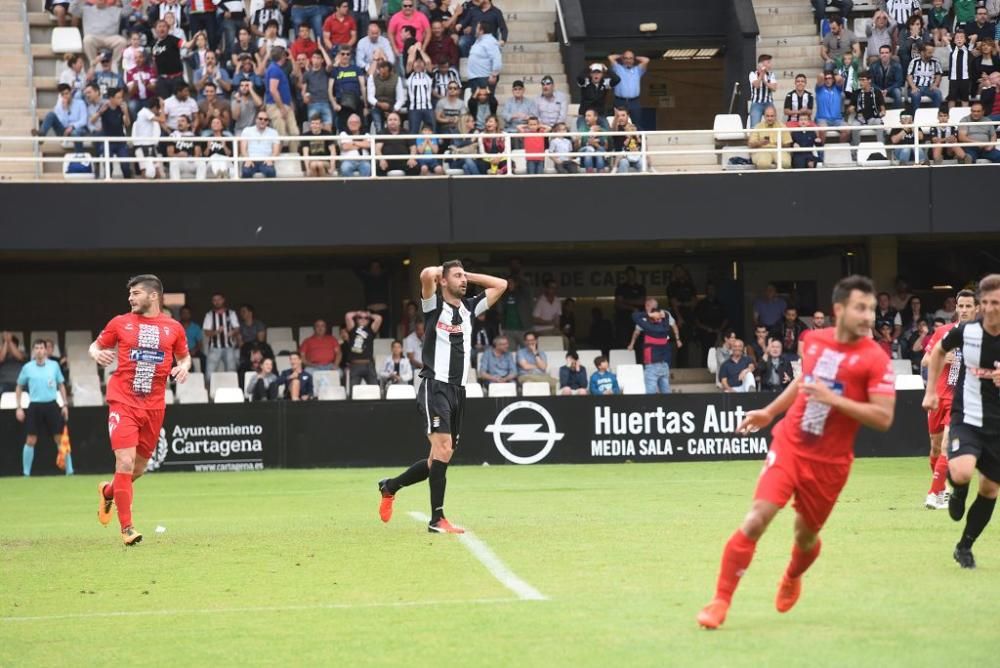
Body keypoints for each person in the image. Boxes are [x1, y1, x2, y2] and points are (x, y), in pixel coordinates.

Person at [697, 275, 896, 629]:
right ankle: (719, 601)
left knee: (805, 537)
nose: (868, 316)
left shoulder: (875, 359)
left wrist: (835, 399)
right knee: (757, 517)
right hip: (791, 443)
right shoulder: (814, 341)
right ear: (839, 310)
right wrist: (770, 412)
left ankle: (792, 575)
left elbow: (883, 417)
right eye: (860, 308)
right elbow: (804, 383)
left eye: (871, 308)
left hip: (831, 463)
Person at [377, 261, 507, 534]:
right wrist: (442, 273)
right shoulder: (433, 305)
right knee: (444, 449)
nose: (464, 281)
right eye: (457, 276)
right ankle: (437, 519)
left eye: (464, 276)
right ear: (444, 281)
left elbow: (501, 285)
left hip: (459, 390)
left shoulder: (470, 308)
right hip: (435, 385)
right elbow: (425, 275)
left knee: (436, 458)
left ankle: (390, 486)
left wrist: (466, 274)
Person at [89, 275, 192, 546]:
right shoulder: (119, 322)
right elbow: (96, 345)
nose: (130, 298)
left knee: (138, 469)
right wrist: (96, 354)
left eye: (136, 293)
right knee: (123, 463)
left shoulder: (173, 328)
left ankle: (109, 491)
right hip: (123, 401)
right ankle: (127, 529)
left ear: (153, 296)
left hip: (154, 406)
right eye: (130, 294)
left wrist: (184, 367)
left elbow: (184, 356)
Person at [923, 275, 1000, 569]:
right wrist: (930, 391)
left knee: (990, 489)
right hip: (967, 416)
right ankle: (957, 489)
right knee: (962, 470)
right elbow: (938, 351)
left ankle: (964, 546)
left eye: (998, 303)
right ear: (981, 305)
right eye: (988, 303)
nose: (992, 308)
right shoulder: (966, 332)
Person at [15, 340, 71, 477]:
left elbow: (61, 385)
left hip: (51, 404)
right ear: (33, 351)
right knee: (30, 440)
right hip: (35, 406)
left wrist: (64, 404)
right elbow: (19, 386)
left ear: (46, 350)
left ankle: (70, 471)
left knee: (60, 438)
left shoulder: (54, 366)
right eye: (37, 348)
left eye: (41, 348)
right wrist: (19, 407)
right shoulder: (27, 367)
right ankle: (26, 473)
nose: (39, 350)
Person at [631, 299, 676, 394]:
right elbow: (667, 316)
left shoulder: (649, 328)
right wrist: (663, 314)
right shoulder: (665, 327)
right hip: (664, 365)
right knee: (666, 393)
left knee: (651, 396)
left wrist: (649, 314)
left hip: (652, 366)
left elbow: (634, 316)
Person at [202, 292, 241, 379]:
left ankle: (232, 390)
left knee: (231, 371)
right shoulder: (209, 315)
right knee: (209, 373)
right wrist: (216, 332)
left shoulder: (231, 313)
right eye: (214, 300)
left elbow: (237, 328)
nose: (217, 302)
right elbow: (206, 332)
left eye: (219, 299)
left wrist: (233, 332)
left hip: (229, 347)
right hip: (214, 347)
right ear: (212, 302)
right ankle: (209, 391)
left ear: (223, 300)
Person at [608, 50, 649, 129]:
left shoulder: (638, 70)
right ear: (622, 59)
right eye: (626, 58)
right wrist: (621, 55)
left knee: (636, 123)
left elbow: (646, 60)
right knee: (619, 123)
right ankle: (620, 141)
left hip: (634, 101)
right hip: (620, 101)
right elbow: (610, 58)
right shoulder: (618, 69)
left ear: (633, 60)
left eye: (630, 58)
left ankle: (638, 141)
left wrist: (634, 57)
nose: (628, 60)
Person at [344, 309, 383, 387]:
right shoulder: (352, 329)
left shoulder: (371, 330)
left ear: (369, 320)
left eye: (366, 318)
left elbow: (379, 318)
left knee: (375, 389)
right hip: (355, 365)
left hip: (368, 365)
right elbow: (348, 316)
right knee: (354, 392)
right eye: (360, 317)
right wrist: (357, 313)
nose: (363, 319)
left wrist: (369, 315)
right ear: (356, 319)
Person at [907, 43, 944, 112]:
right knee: (916, 95)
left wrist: (935, 85)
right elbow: (909, 76)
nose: (931, 54)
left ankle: (935, 115)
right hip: (916, 87)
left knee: (938, 93)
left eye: (932, 52)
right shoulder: (914, 62)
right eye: (929, 52)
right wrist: (913, 87)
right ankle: (915, 117)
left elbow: (938, 75)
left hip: (929, 88)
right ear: (922, 52)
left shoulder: (935, 61)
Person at [748, 54, 778, 128]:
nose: (770, 64)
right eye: (768, 62)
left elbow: (774, 88)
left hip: (768, 102)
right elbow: (756, 85)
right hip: (756, 103)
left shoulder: (771, 74)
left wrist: (765, 81)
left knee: (773, 125)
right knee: (755, 126)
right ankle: (754, 139)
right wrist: (761, 74)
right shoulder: (753, 74)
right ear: (761, 64)